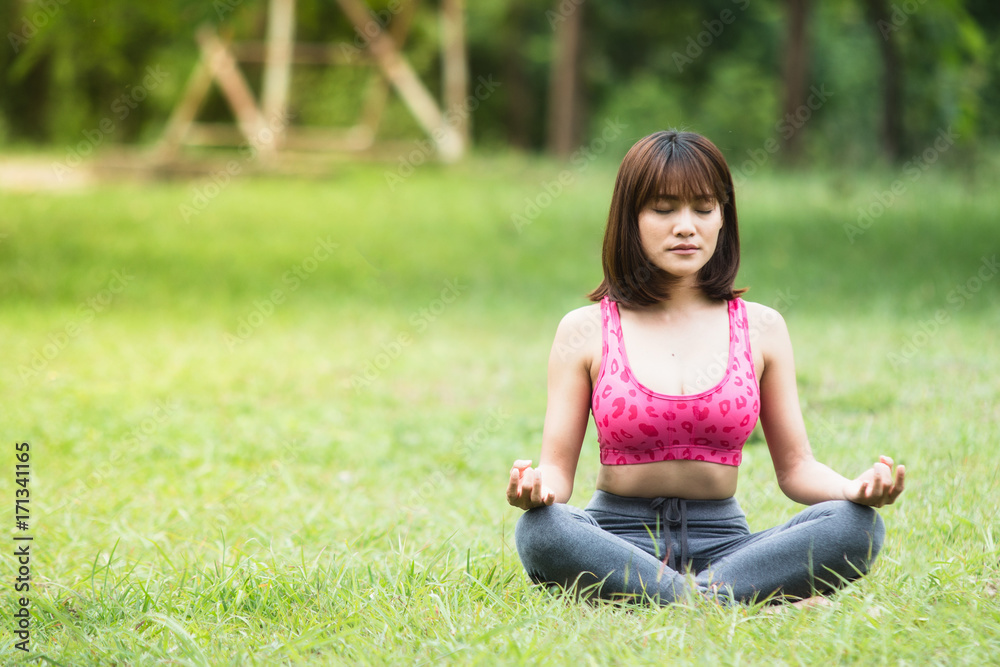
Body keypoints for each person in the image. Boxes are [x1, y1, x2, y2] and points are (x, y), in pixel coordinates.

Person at [506, 130, 905, 606]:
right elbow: (557, 472)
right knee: (541, 532)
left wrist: (854, 489)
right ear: (629, 218)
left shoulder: (762, 328)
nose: (686, 226)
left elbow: (797, 468)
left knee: (856, 526)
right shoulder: (585, 329)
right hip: (615, 543)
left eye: (703, 207)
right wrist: (536, 491)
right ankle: (729, 603)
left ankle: (679, 598)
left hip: (731, 550)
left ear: (723, 217)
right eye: (663, 208)